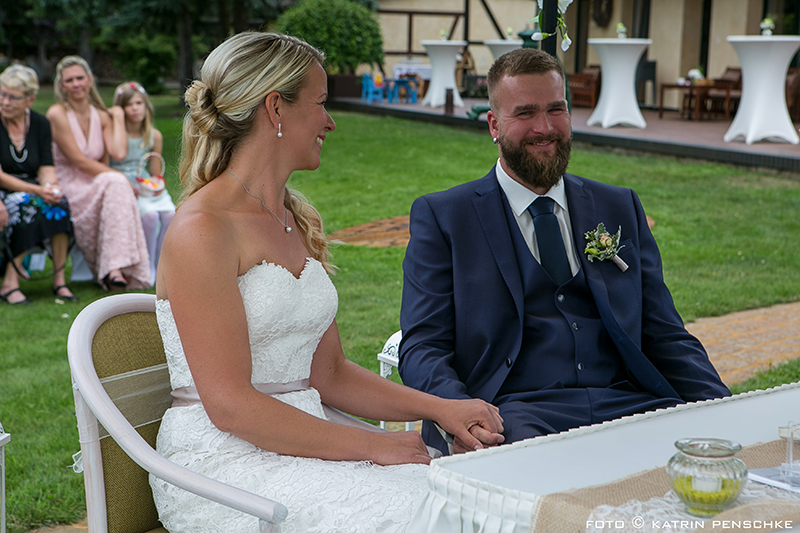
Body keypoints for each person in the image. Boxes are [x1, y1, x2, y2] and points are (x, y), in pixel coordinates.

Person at [152, 31, 504, 532]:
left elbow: (330, 373)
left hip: (309, 440)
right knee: (427, 515)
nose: (330, 121)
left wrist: (443, 408)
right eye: (320, 103)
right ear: (276, 108)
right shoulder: (202, 229)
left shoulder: (291, 219)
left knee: (475, 502)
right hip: (225, 464)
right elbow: (231, 407)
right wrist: (378, 445)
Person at [398, 48, 731, 456]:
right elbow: (423, 346)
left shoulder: (618, 206)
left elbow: (664, 331)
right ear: (493, 126)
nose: (545, 127)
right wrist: (462, 413)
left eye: (557, 109)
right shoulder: (445, 217)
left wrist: (725, 408)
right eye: (525, 113)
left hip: (628, 402)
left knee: (694, 460)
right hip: (512, 414)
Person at [47, 56, 150, 290]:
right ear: (62, 86)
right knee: (116, 182)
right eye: (69, 80)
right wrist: (123, 177)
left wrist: (118, 117)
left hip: (96, 178)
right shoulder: (57, 113)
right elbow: (79, 161)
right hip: (68, 180)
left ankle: (114, 269)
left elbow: (118, 153)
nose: (76, 84)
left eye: (80, 78)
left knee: (114, 184)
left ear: (90, 80)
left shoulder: (102, 116)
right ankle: (114, 268)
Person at [0, 64, 77, 305]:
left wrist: (50, 188)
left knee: (60, 205)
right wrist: (38, 190)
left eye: (12, 97)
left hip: (31, 186)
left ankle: (59, 281)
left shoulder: (41, 124)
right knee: (28, 204)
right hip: (5, 189)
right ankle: (10, 283)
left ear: (30, 100)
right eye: (1, 94)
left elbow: (46, 166)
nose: (4, 101)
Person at [109, 81, 175, 286]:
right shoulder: (115, 133)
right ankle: (146, 266)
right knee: (151, 215)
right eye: (129, 104)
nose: (135, 108)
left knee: (170, 214)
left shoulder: (153, 135)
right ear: (121, 108)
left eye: (139, 103)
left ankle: (162, 263)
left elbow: (155, 171)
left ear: (146, 106)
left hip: (143, 181)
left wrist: (157, 184)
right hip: (122, 182)